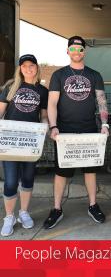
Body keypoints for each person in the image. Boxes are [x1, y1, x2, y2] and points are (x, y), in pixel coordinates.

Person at [43, 36, 109, 229]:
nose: (76, 52)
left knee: (90, 170)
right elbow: (52, 103)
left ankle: (93, 205)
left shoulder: (94, 75)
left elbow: (102, 101)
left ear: (84, 52)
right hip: (64, 132)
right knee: (61, 172)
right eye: (73, 49)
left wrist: (105, 123)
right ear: (67, 51)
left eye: (80, 49)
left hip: (89, 129)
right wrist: (53, 126)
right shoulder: (59, 75)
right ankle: (56, 209)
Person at [0, 54, 48, 236]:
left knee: (28, 179)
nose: (28, 68)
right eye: (25, 65)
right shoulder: (11, 87)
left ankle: (24, 213)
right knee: (11, 182)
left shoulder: (42, 91)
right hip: (11, 142)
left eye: (32, 65)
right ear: (20, 68)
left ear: (37, 67)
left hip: (30, 141)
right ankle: (9, 217)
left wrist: (45, 124)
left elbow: (43, 114)